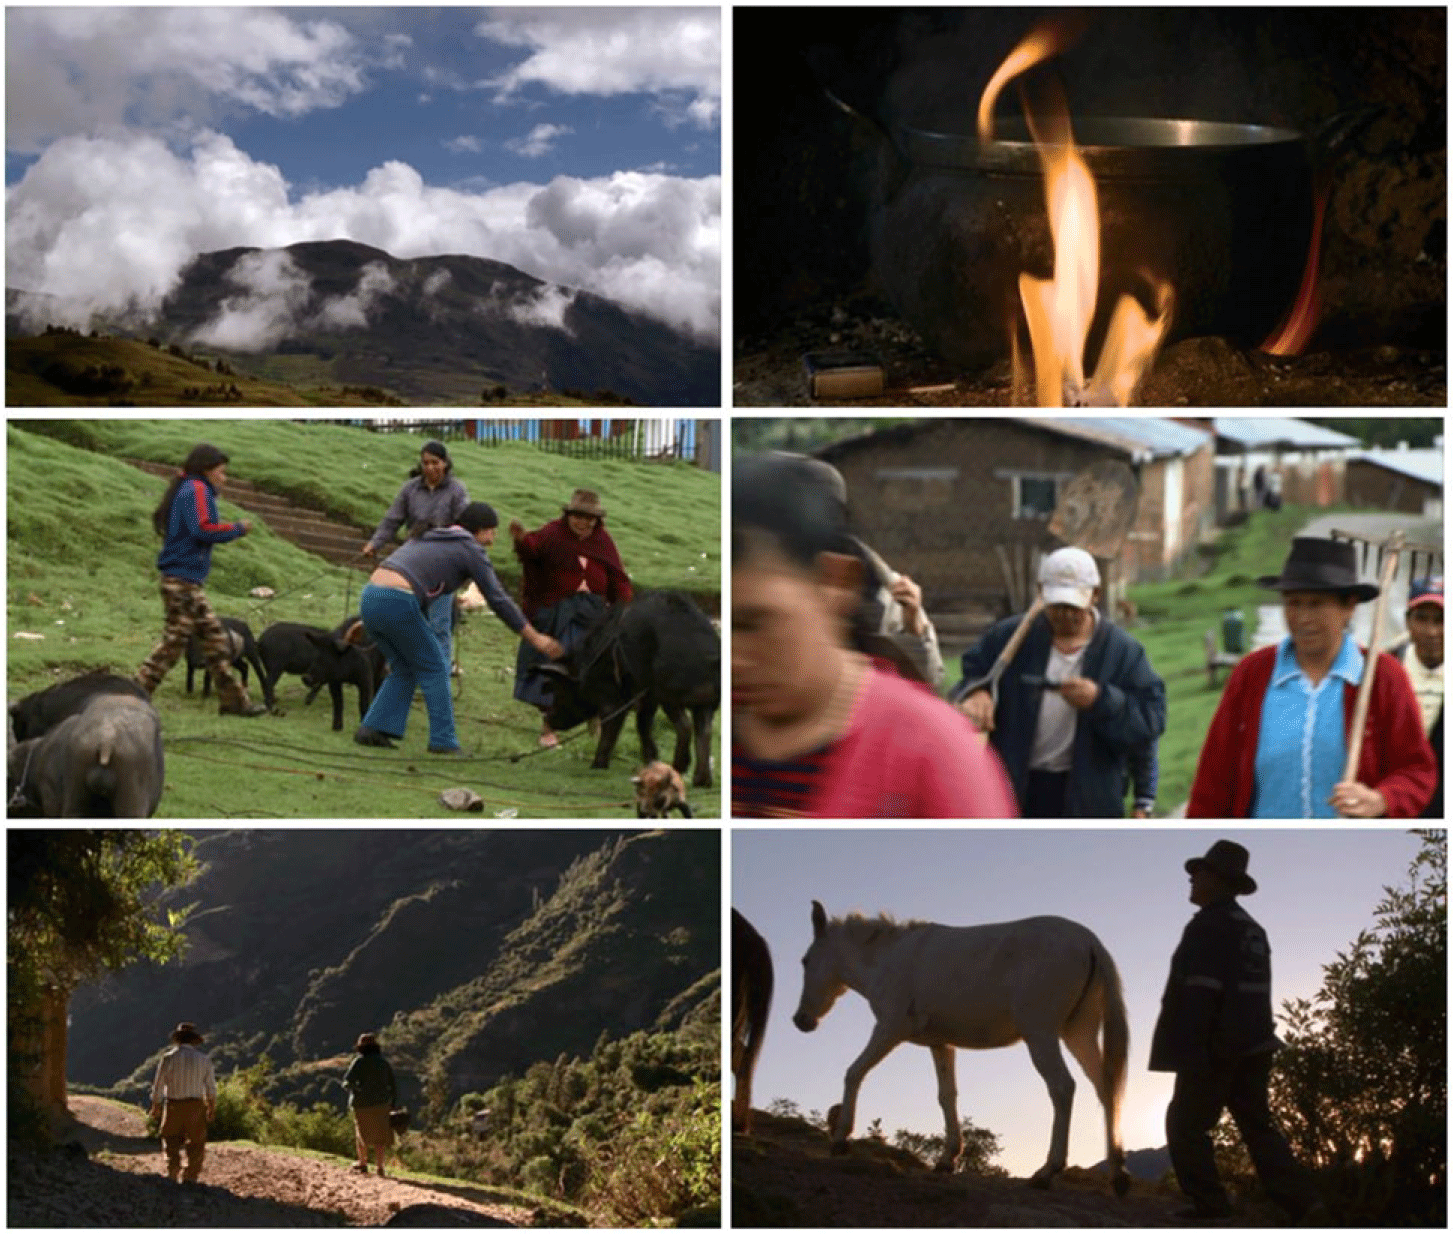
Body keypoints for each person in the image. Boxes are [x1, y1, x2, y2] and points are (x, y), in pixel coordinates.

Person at [732, 453, 1017, 817]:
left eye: (756, 623)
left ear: (836, 583)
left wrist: (913, 616)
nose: (734, 660)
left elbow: (929, 668)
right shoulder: (735, 725)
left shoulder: (931, 753)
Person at [1187, 537, 1436, 818]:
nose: (1302, 618)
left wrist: (1382, 799)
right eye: (1294, 603)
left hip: (1347, 852)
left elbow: (1417, 770)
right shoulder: (1252, 674)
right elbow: (1213, 780)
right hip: (1264, 851)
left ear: (1349, 607)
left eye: (1316, 604)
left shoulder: (1381, 676)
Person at [1150, 841, 1322, 1223]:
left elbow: (1200, 991)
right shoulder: (1252, 929)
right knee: (1259, 1127)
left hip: (1216, 1048)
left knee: (1184, 1126)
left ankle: (1211, 1208)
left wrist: (1193, 1051)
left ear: (1220, 880)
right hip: (1256, 1044)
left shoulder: (1208, 926)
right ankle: (1305, 1205)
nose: (1192, 878)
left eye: (1201, 872)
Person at [952, 547, 1166, 817]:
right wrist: (977, 692)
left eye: (1073, 606)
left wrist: (1101, 700)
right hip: (1015, 791)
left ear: (1095, 596)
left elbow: (1149, 724)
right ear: (1041, 593)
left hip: (1089, 801)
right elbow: (968, 681)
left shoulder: (1123, 653)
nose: (1065, 615)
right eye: (1056, 605)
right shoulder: (1007, 638)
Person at [354, 502, 563, 754]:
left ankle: (373, 728)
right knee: (435, 667)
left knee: (405, 666)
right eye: (492, 532)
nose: (493, 540)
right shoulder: (468, 548)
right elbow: (497, 599)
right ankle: (444, 741)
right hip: (398, 599)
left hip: (371, 596)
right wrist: (535, 638)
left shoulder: (428, 537)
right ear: (481, 530)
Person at [135, 444, 268, 716]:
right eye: (222, 472)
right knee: (174, 644)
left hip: (185, 579)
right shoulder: (196, 490)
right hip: (181, 580)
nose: (225, 478)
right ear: (207, 471)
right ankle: (133, 695)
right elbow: (203, 529)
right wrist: (236, 529)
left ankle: (233, 701)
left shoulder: (188, 488)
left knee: (215, 640)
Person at [509, 489, 633, 747]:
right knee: (554, 669)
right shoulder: (553, 533)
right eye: (578, 516)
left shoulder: (603, 542)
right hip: (558, 612)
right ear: (568, 515)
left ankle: (594, 724)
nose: (583, 522)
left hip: (593, 615)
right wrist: (521, 540)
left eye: (589, 518)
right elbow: (532, 550)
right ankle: (547, 729)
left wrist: (623, 607)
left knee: (597, 668)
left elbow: (617, 577)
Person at [361, 440, 471, 669]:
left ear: (445, 463)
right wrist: (374, 544)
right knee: (406, 616)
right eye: (426, 463)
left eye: (435, 462)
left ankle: (438, 672)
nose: (431, 468)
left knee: (439, 622)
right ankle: (406, 667)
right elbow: (392, 520)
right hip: (412, 562)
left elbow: (465, 526)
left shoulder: (457, 490)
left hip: (443, 564)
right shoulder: (410, 489)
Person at [1396, 576, 1443, 818]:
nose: (1432, 632)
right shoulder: (1384, 671)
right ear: (1408, 622)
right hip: (1395, 804)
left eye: (1441, 620)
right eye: (1421, 619)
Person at [149, 1021, 217, 1185]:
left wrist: (156, 1106)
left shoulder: (168, 1058)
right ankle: (190, 1176)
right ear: (194, 1041)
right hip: (195, 1106)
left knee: (170, 1139)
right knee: (196, 1143)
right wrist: (211, 1108)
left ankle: (173, 1170)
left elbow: (158, 1085)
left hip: (173, 1105)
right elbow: (211, 1088)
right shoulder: (204, 1060)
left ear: (178, 1040)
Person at [343, 1033, 397, 1178]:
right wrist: (392, 1103)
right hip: (382, 1103)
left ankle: (362, 1163)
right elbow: (392, 1085)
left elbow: (347, 1082)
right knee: (380, 1136)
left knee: (361, 1133)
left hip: (361, 1104)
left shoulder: (359, 1062)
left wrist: (356, 1088)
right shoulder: (383, 1063)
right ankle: (380, 1168)